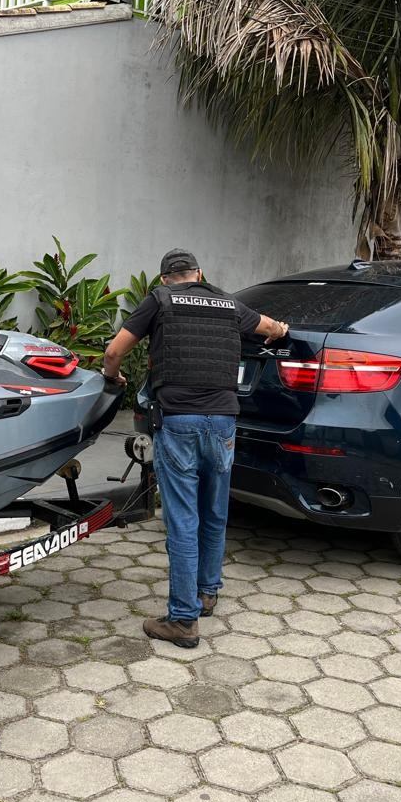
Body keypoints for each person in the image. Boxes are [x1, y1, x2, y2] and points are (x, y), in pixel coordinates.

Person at [102, 249, 290, 648]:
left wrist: (112, 379)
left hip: (179, 422)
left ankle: (184, 620)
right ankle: (207, 593)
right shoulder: (227, 302)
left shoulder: (159, 300)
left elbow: (115, 351)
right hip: (223, 423)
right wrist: (279, 331)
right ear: (200, 274)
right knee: (214, 511)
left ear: (165, 279)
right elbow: (271, 327)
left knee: (183, 520)